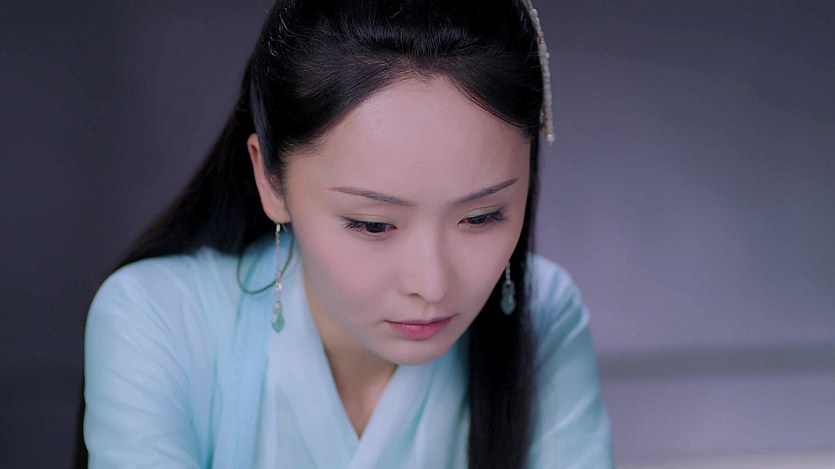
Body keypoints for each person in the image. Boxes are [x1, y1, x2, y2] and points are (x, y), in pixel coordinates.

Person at [82, 0, 613, 467]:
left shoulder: (547, 316)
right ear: (270, 179)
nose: (431, 285)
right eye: (373, 224)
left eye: (482, 217)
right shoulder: (158, 319)